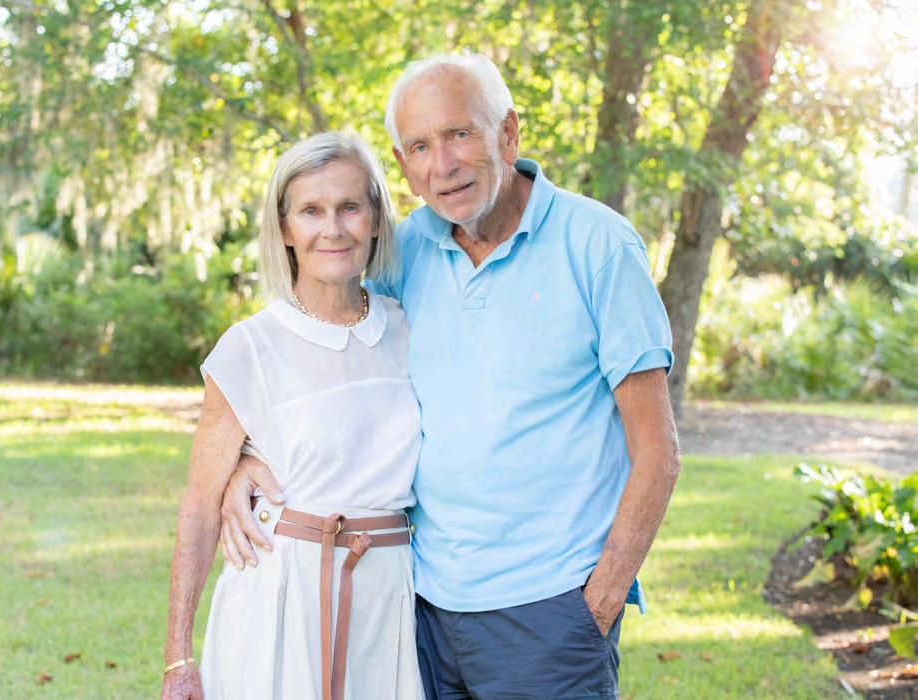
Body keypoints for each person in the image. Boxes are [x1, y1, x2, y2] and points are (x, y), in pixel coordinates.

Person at [219, 51, 681, 699]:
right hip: (422, 606)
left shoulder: (598, 245)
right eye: (419, 146)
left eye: (459, 133)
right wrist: (246, 456)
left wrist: (596, 604)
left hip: (549, 608)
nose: (443, 164)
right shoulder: (403, 253)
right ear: (403, 165)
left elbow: (657, 451)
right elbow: (321, 357)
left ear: (508, 132)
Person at [159, 131, 425, 700]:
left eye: (349, 207)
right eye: (310, 211)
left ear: (375, 220)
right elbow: (200, 507)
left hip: (389, 596)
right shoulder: (249, 347)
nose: (333, 229)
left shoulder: (407, 329)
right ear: (284, 229)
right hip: (280, 595)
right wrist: (178, 658)